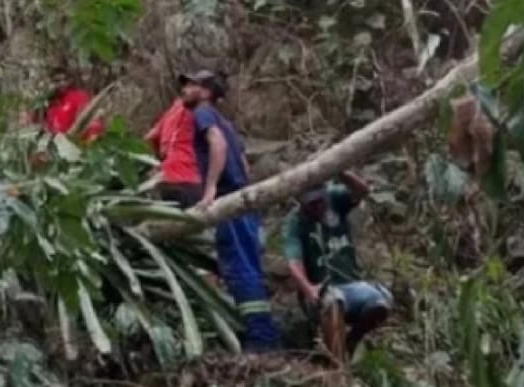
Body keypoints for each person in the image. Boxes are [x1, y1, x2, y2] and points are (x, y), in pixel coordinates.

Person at [181, 69, 281, 352]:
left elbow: (217, 144)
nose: (185, 89)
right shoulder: (227, 123)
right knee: (249, 268)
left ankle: (260, 342)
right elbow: (243, 163)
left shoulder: (204, 114)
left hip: (229, 203)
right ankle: (266, 335)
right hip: (243, 203)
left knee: (239, 270)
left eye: (192, 85)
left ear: (206, 92)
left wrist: (211, 187)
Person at [283, 172, 392, 363]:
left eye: (320, 201)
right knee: (334, 302)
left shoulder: (335, 198)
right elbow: (294, 262)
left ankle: (351, 341)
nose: (317, 206)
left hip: (350, 284)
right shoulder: (295, 222)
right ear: (301, 202)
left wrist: (340, 171)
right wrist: (308, 289)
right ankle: (337, 364)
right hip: (322, 289)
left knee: (380, 302)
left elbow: (363, 190)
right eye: (311, 204)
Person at [144, 92, 200, 208]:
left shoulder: (171, 112)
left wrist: (157, 162)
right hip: (190, 177)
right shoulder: (200, 110)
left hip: (166, 177)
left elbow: (149, 138)